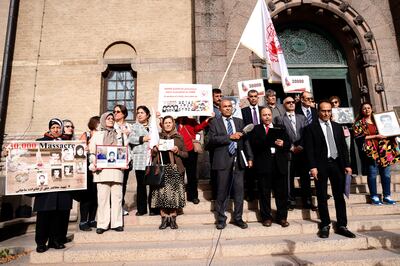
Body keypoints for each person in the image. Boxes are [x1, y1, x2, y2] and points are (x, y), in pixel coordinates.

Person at [304, 101, 355, 239]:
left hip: (337, 164)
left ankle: (342, 225)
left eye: (328, 111)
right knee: (321, 196)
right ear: (318, 111)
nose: (326, 113)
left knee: (339, 196)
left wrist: (347, 165)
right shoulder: (311, 128)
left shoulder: (337, 127)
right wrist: (312, 167)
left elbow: (344, 148)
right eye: (323, 111)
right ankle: (325, 224)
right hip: (320, 165)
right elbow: (309, 150)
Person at [208, 99, 253, 230]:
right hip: (222, 162)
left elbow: (245, 142)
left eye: (229, 106)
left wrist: (250, 157)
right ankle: (221, 219)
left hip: (238, 161)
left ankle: (238, 218)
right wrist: (229, 137)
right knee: (222, 192)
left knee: (239, 192)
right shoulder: (214, 122)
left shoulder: (239, 122)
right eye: (225, 106)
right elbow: (210, 141)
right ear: (220, 109)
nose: (228, 108)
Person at [34, 118, 73, 253]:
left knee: (59, 214)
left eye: (58, 128)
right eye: (53, 127)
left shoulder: (67, 143)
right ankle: (40, 243)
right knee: (44, 215)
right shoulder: (40, 142)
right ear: (50, 128)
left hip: (62, 185)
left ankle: (56, 240)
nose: (56, 130)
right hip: (46, 185)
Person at [274, 96, 316, 211]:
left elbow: (307, 134)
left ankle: (307, 200)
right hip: (288, 152)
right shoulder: (279, 119)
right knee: (289, 177)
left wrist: (301, 146)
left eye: (293, 102)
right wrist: (291, 147)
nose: (291, 104)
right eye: (288, 102)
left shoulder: (302, 118)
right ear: (284, 105)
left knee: (305, 177)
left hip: (302, 152)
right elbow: (280, 136)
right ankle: (290, 200)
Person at [250, 107, 290, 227]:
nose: (267, 117)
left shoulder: (280, 127)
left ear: (271, 115)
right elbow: (254, 145)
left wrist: (283, 144)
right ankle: (266, 217)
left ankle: (282, 217)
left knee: (281, 192)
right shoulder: (256, 129)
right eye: (264, 115)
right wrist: (268, 140)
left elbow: (288, 143)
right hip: (264, 164)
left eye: (268, 114)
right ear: (261, 117)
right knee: (264, 192)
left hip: (279, 163)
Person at [353, 102, 399, 205]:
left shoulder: (379, 119)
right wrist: (375, 136)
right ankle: (374, 196)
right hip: (371, 151)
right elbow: (358, 137)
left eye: (368, 108)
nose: (367, 110)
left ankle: (387, 196)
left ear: (372, 109)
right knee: (372, 173)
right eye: (364, 108)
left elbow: (389, 130)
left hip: (384, 150)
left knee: (386, 174)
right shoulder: (359, 123)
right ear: (361, 111)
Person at [89, 112, 124, 234]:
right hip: (102, 171)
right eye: (108, 118)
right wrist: (95, 162)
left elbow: (125, 150)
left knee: (117, 198)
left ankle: (117, 223)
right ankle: (102, 224)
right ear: (103, 120)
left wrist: (126, 161)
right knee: (102, 199)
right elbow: (92, 153)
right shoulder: (97, 135)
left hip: (117, 171)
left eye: (112, 118)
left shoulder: (120, 134)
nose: (110, 120)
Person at [151, 116, 188, 230]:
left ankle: (172, 218)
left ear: (173, 124)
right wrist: (155, 149)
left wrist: (178, 151)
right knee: (161, 194)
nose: (167, 124)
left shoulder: (178, 137)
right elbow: (152, 154)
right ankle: (163, 219)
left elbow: (186, 154)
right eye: (165, 123)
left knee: (173, 195)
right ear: (162, 124)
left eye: (169, 122)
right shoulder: (158, 137)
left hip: (174, 168)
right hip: (161, 169)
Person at [128, 106, 158, 216]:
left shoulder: (153, 127)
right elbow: (130, 139)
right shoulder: (134, 126)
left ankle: (153, 209)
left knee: (153, 185)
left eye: (142, 112)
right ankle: (141, 209)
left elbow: (157, 139)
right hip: (140, 159)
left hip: (152, 159)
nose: (139, 115)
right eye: (138, 113)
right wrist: (142, 139)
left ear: (147, 115)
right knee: (141, 185)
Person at [176, 115, 211, 204]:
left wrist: (207, 120)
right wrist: (160, 118)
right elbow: (165, 127)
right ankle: (179, 197)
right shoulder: (173, 121)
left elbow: (198, 128)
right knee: (178, 174)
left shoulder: (190, 120)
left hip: (190, 150)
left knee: (192, 174)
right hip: (177, 151)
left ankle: (193, 196)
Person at [78, 116, 100, 231]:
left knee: (95, 197)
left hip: (98, 170)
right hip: (86, 170)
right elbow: (79, 150)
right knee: (86, 197)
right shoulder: (86, 135)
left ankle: (92, 219)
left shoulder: (102, 135)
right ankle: (83, 221)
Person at [241, 89, 262, 201]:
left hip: (261, 143)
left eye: (255, 96)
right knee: (250, 169)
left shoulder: (263, 110)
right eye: (251, 96)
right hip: (248, 143)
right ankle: (250, 193)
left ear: (258, 98)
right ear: (248, 98)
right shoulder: (243, 111)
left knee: (261, 168)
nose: (253, 98)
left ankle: (260, 192)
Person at [113, 104, 133, 216]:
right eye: (114, 111)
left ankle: (120, 206)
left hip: (126, 159)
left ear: (124, 114)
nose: (115, 113)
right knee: (115, 184)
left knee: (123, 183)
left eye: (118, 111)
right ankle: (114, 207)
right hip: (113, 159)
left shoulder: (130, 126)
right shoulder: (112, 125)